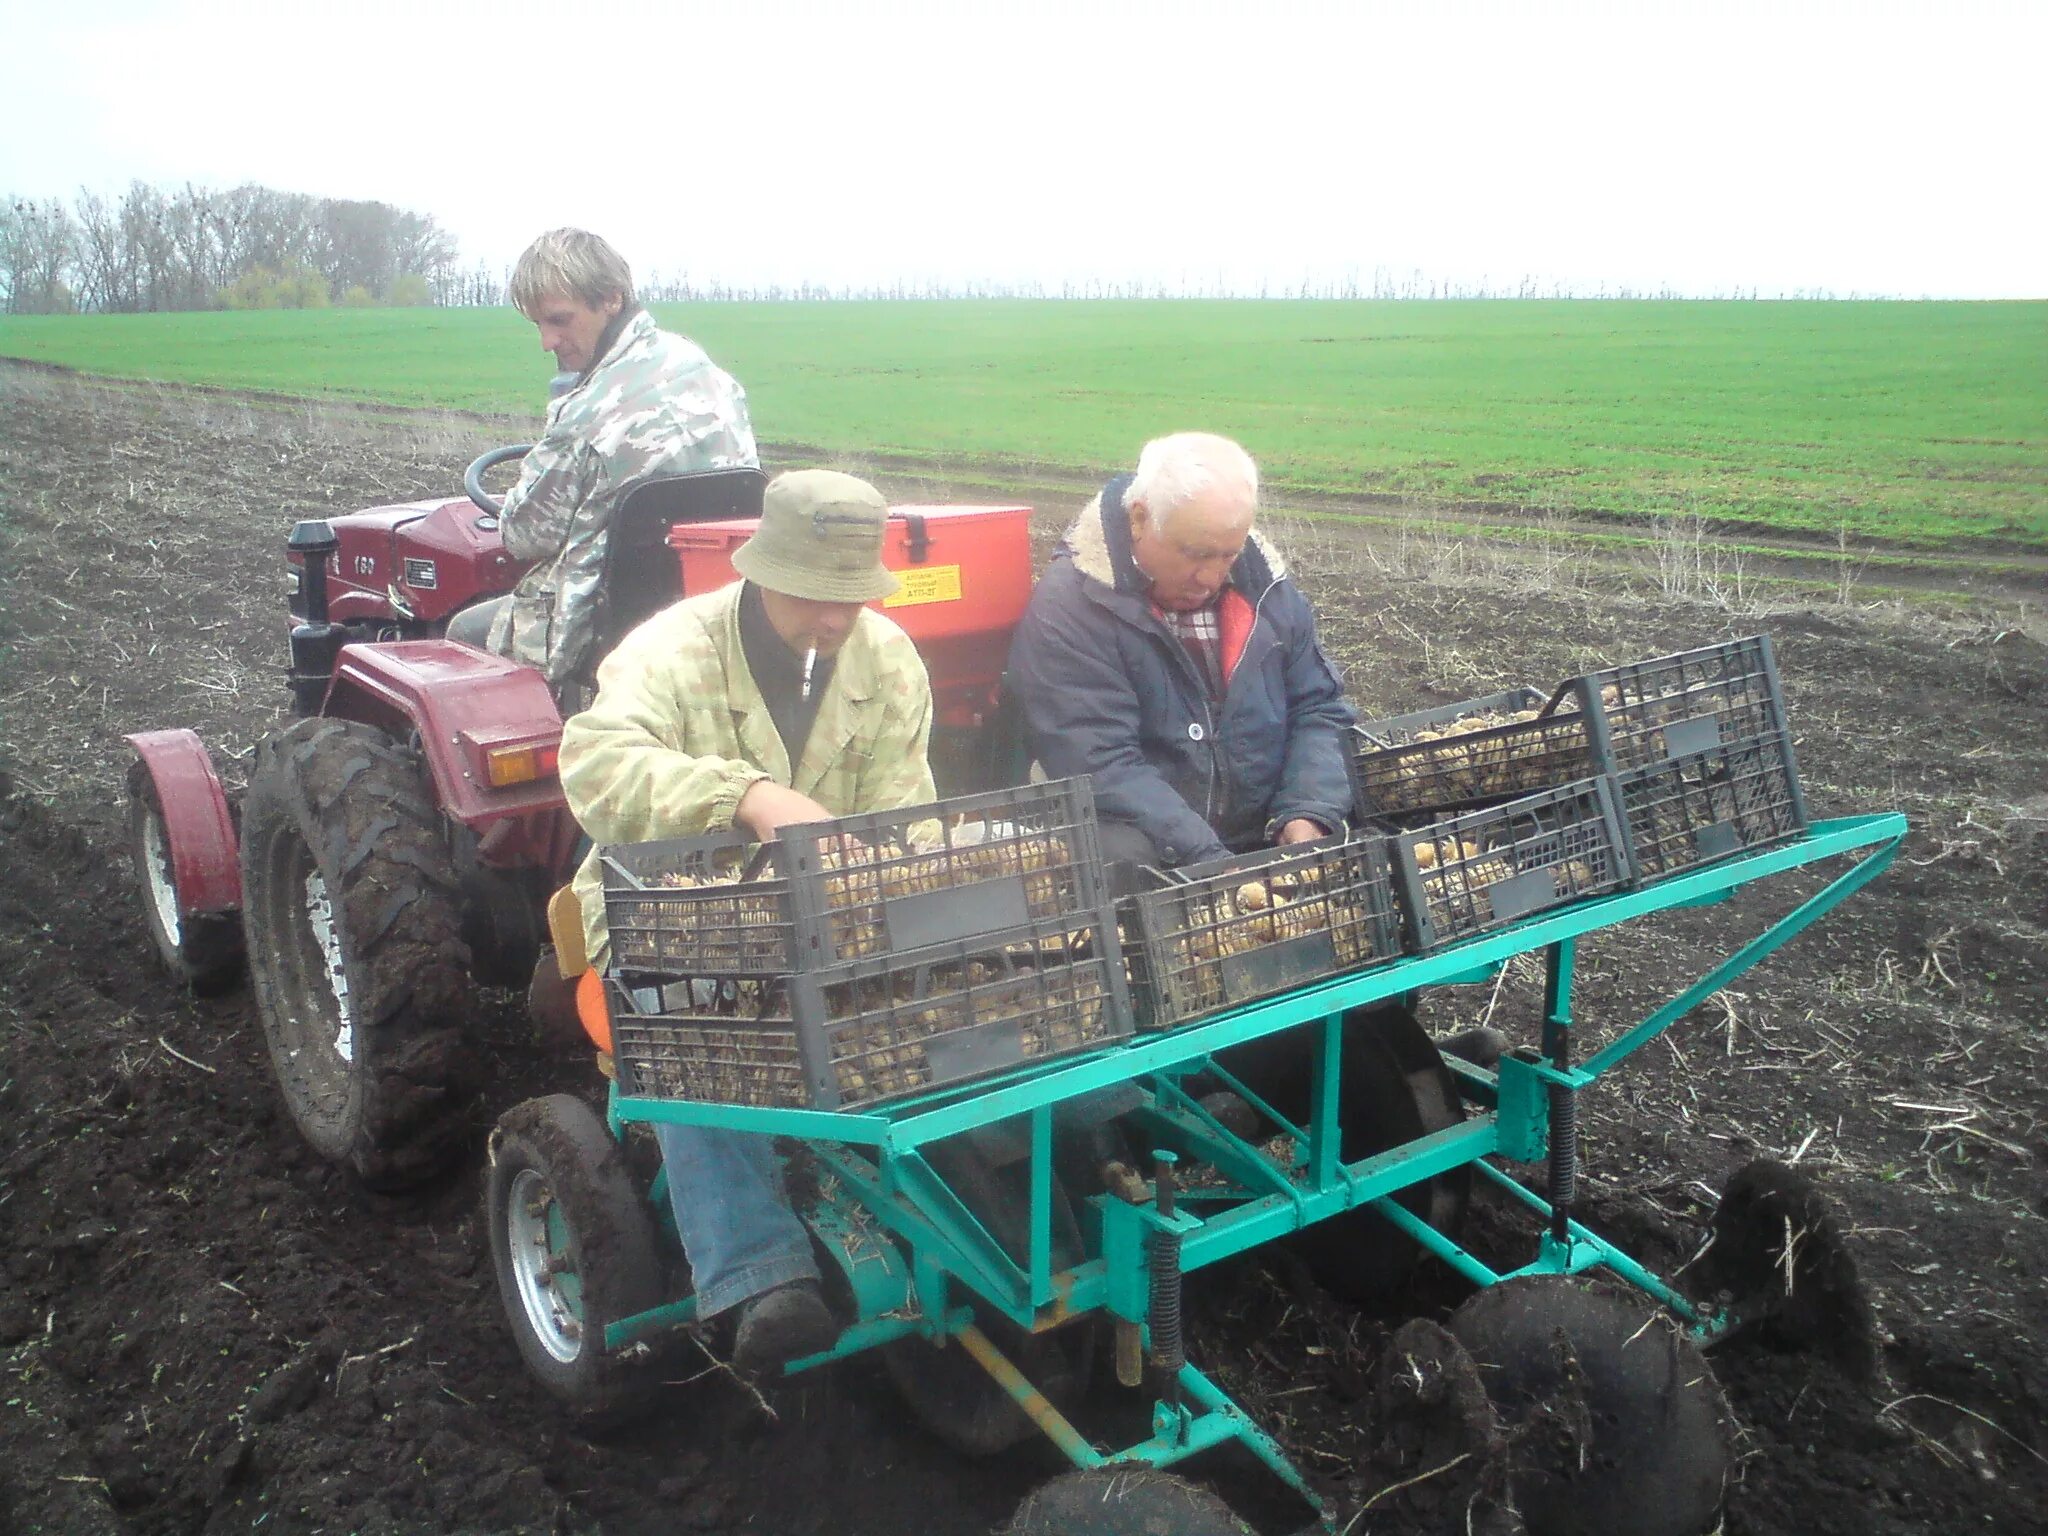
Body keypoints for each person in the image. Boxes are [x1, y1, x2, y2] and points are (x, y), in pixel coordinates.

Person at [557, 468, 934, 1374]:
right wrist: (743, 795)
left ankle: (950, 1217)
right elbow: (595, 765)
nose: (837, 619)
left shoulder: (887, 660)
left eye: (854, 596)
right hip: (671, 917)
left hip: (826, 917)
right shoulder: (672, 649)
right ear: (760, 570)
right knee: (695, 1026)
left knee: (932, 1015)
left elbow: (904, 810)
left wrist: (898, 883)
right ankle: (762, 1275)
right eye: (816, 594)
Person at [1006, 431, 1355, 880]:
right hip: (1159, 844)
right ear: (1139, 520)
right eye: (1194, 554)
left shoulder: (1267, 588)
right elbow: (1098, 762)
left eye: (1228, 555)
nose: (1210, 576)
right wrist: (1209, 860)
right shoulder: (1071, 608)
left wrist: (1307, 811)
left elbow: (1318, 707)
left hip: (1262, 829)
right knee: (1121, 858)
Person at [447, 228, 758, 690]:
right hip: (714, 603)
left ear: (611, 299)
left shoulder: (586, 413)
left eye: (559, 320)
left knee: (461, 632)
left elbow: (524, 536)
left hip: (604, 625)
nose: (547, 342)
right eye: (538, 325)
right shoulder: (705, 371)